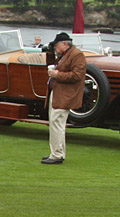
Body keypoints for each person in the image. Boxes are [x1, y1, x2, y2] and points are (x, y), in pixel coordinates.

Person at [43, 32, 85, 165]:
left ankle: (57, 155)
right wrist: (50, 54)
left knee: (57, 123)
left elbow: (77, 75)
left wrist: (57, 74)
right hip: (57, 92)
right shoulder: (64, 55)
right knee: (55, 123)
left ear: (65, 44)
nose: (55, 47)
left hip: (65, 95)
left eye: (56, 45)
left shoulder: (77, 55)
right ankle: (56, 152)